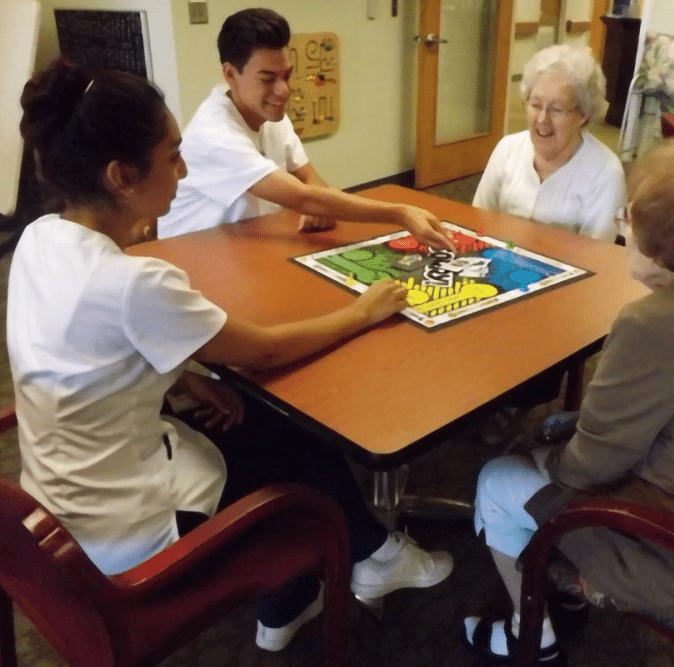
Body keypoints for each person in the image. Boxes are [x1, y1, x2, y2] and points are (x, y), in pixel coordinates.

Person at [9, 60, 453, 654]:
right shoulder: (135, 284)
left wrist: (184, 380)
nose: (184, 171)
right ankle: (363, 559)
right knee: (302, 449)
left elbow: (79, 356)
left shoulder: (39, 239)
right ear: (120, 175)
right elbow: (264, 351)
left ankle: (301, 592)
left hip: (51, 503)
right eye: (172, 157)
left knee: (251, 418)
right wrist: (364, 312)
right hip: (121, 537)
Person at [462, 139, 674, 666]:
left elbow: (588, 468)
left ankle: (531, 633)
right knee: (552, 433)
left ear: (669, 245)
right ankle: (564, 596)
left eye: (629, 216)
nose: (621, 225)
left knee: (498, 478)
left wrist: (547, 445)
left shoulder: (656, 324)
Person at [157, 7, 454, 253]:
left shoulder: (270, 114)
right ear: (230, 74)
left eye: (287, 75)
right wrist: (399, 213)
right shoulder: (213, 134)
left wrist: (317, 202)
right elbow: (303, 197)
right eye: (268, 78)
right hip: (197, 258)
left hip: (248, 244)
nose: (283, 90)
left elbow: (310, 181)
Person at [472, 43, 626, 242]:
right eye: (535, 105)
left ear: (582, 115)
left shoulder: (606, 173)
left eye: (557, 109)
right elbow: (478, 221)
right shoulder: (508, 149)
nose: (542, 119)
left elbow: (595, 256)